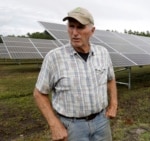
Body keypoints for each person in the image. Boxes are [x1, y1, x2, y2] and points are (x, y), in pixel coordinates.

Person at [33, 7, 118, 141]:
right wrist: (54, 124)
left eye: (80, 27)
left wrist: (113, 105)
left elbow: (111, 79)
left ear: (92, 31)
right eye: (71, 26)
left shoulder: (103, 53)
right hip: (72, 127)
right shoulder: (54, 58)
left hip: (101, 121)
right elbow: (39, 94)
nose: (74, 33)